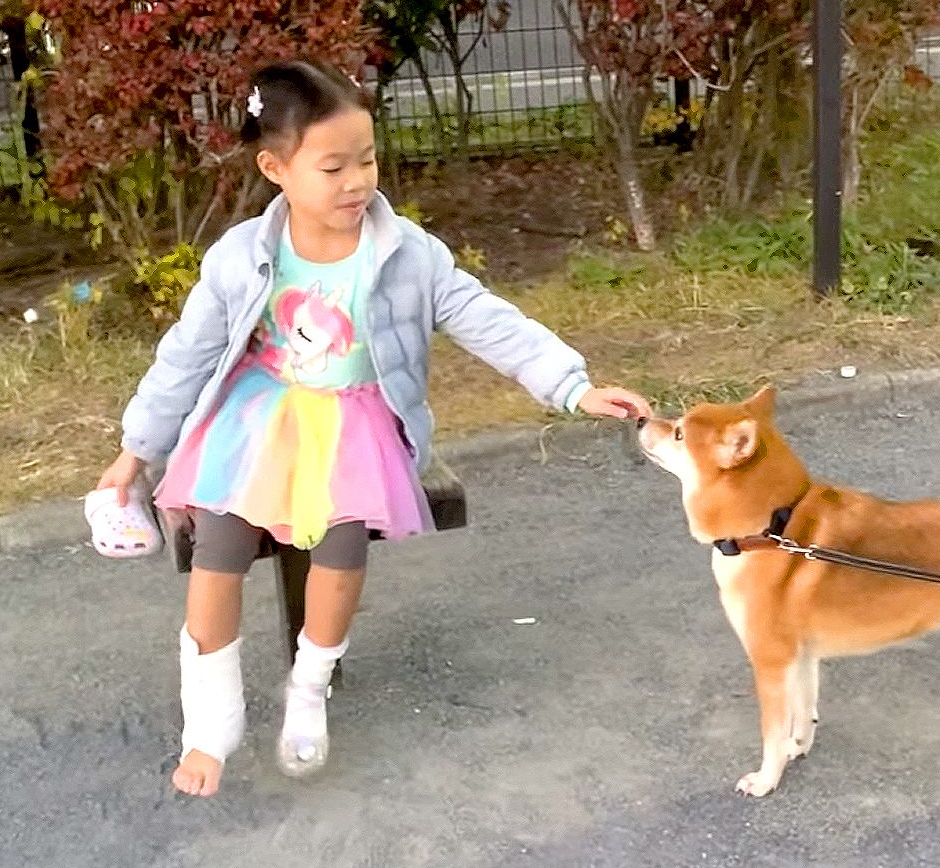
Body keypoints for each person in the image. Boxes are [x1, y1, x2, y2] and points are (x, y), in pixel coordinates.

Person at [94, 60, 651, 798]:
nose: (358, 180)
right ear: (276, 168)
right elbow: (186, 357)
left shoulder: (407, 253)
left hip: (354, 427)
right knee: (217, 551)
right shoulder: (241, 257)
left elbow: (486, 319)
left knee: (343, 541)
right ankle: (210, 725)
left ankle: (309, 688)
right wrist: (134, 455)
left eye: (368, 159)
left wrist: (573, 385)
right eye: (333, 167)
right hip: (254, 424)